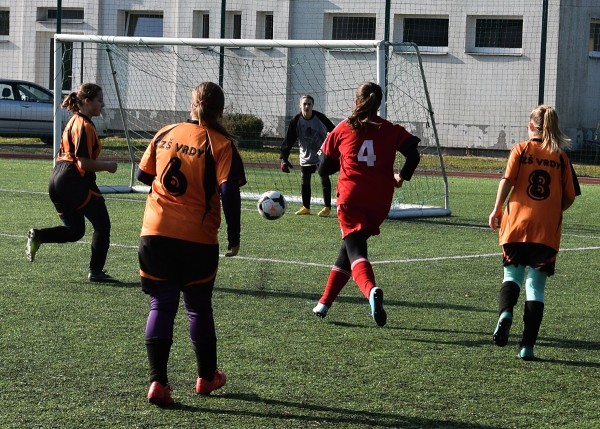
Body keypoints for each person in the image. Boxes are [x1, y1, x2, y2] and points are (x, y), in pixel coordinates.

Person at [137, 82, 246, 406]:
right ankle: (206, 377)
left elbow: (144, 175)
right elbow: (229, 191)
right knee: (197, 306)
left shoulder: (166, 132)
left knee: (161, 304)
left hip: (155, 232)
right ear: (220, 111)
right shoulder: (221, 144)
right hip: (197, 238)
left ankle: (158, 383)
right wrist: (234, 236)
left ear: (192, 104)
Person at [313, 81, 421, 327]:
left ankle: (371, 290)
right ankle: (324, 303)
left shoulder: (343, 127)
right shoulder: (390, 129)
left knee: (356, 252)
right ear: (379, 104)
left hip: (351, 198)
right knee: (349, 248)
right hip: (380, 201)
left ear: (356, 102)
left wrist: (341, 157)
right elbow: (413, 154)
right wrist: (401, 177)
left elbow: (323, 169)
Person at [489, 105, 580, 360]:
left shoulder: (521, 149)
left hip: (516, 225)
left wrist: (497, 209)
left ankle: (505, 313)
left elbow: (507, 180)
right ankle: (527, 347)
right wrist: (552, 210)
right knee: (535, 287)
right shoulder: (561, 157)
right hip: (546, 232)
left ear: (531, 126)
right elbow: (570, 196)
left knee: (512, 277)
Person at [25, 83, 119, 283]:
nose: (102, 105)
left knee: (75, 231)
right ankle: (96, 271)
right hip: (74, 180)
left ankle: (39, 236)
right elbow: (83, 162)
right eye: (99, 100)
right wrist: (108, 166)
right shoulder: (84, 125)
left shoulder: (74, 121)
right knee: (102, 225)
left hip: (57, 179)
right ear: (87, 101)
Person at [280, 94, 336, 217]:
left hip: (322, 154)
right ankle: (306, 207)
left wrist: (333, 149)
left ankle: (327, 207)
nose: (307, 106)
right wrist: (284, 158)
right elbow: (288, 140)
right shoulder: (296, 121)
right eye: (304, 104)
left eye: (309, 104)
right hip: (306, 155)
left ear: (312, 106)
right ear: (300, 105)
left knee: (324, 177)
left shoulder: (320, 117)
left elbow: (334, 131)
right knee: (305, 180)